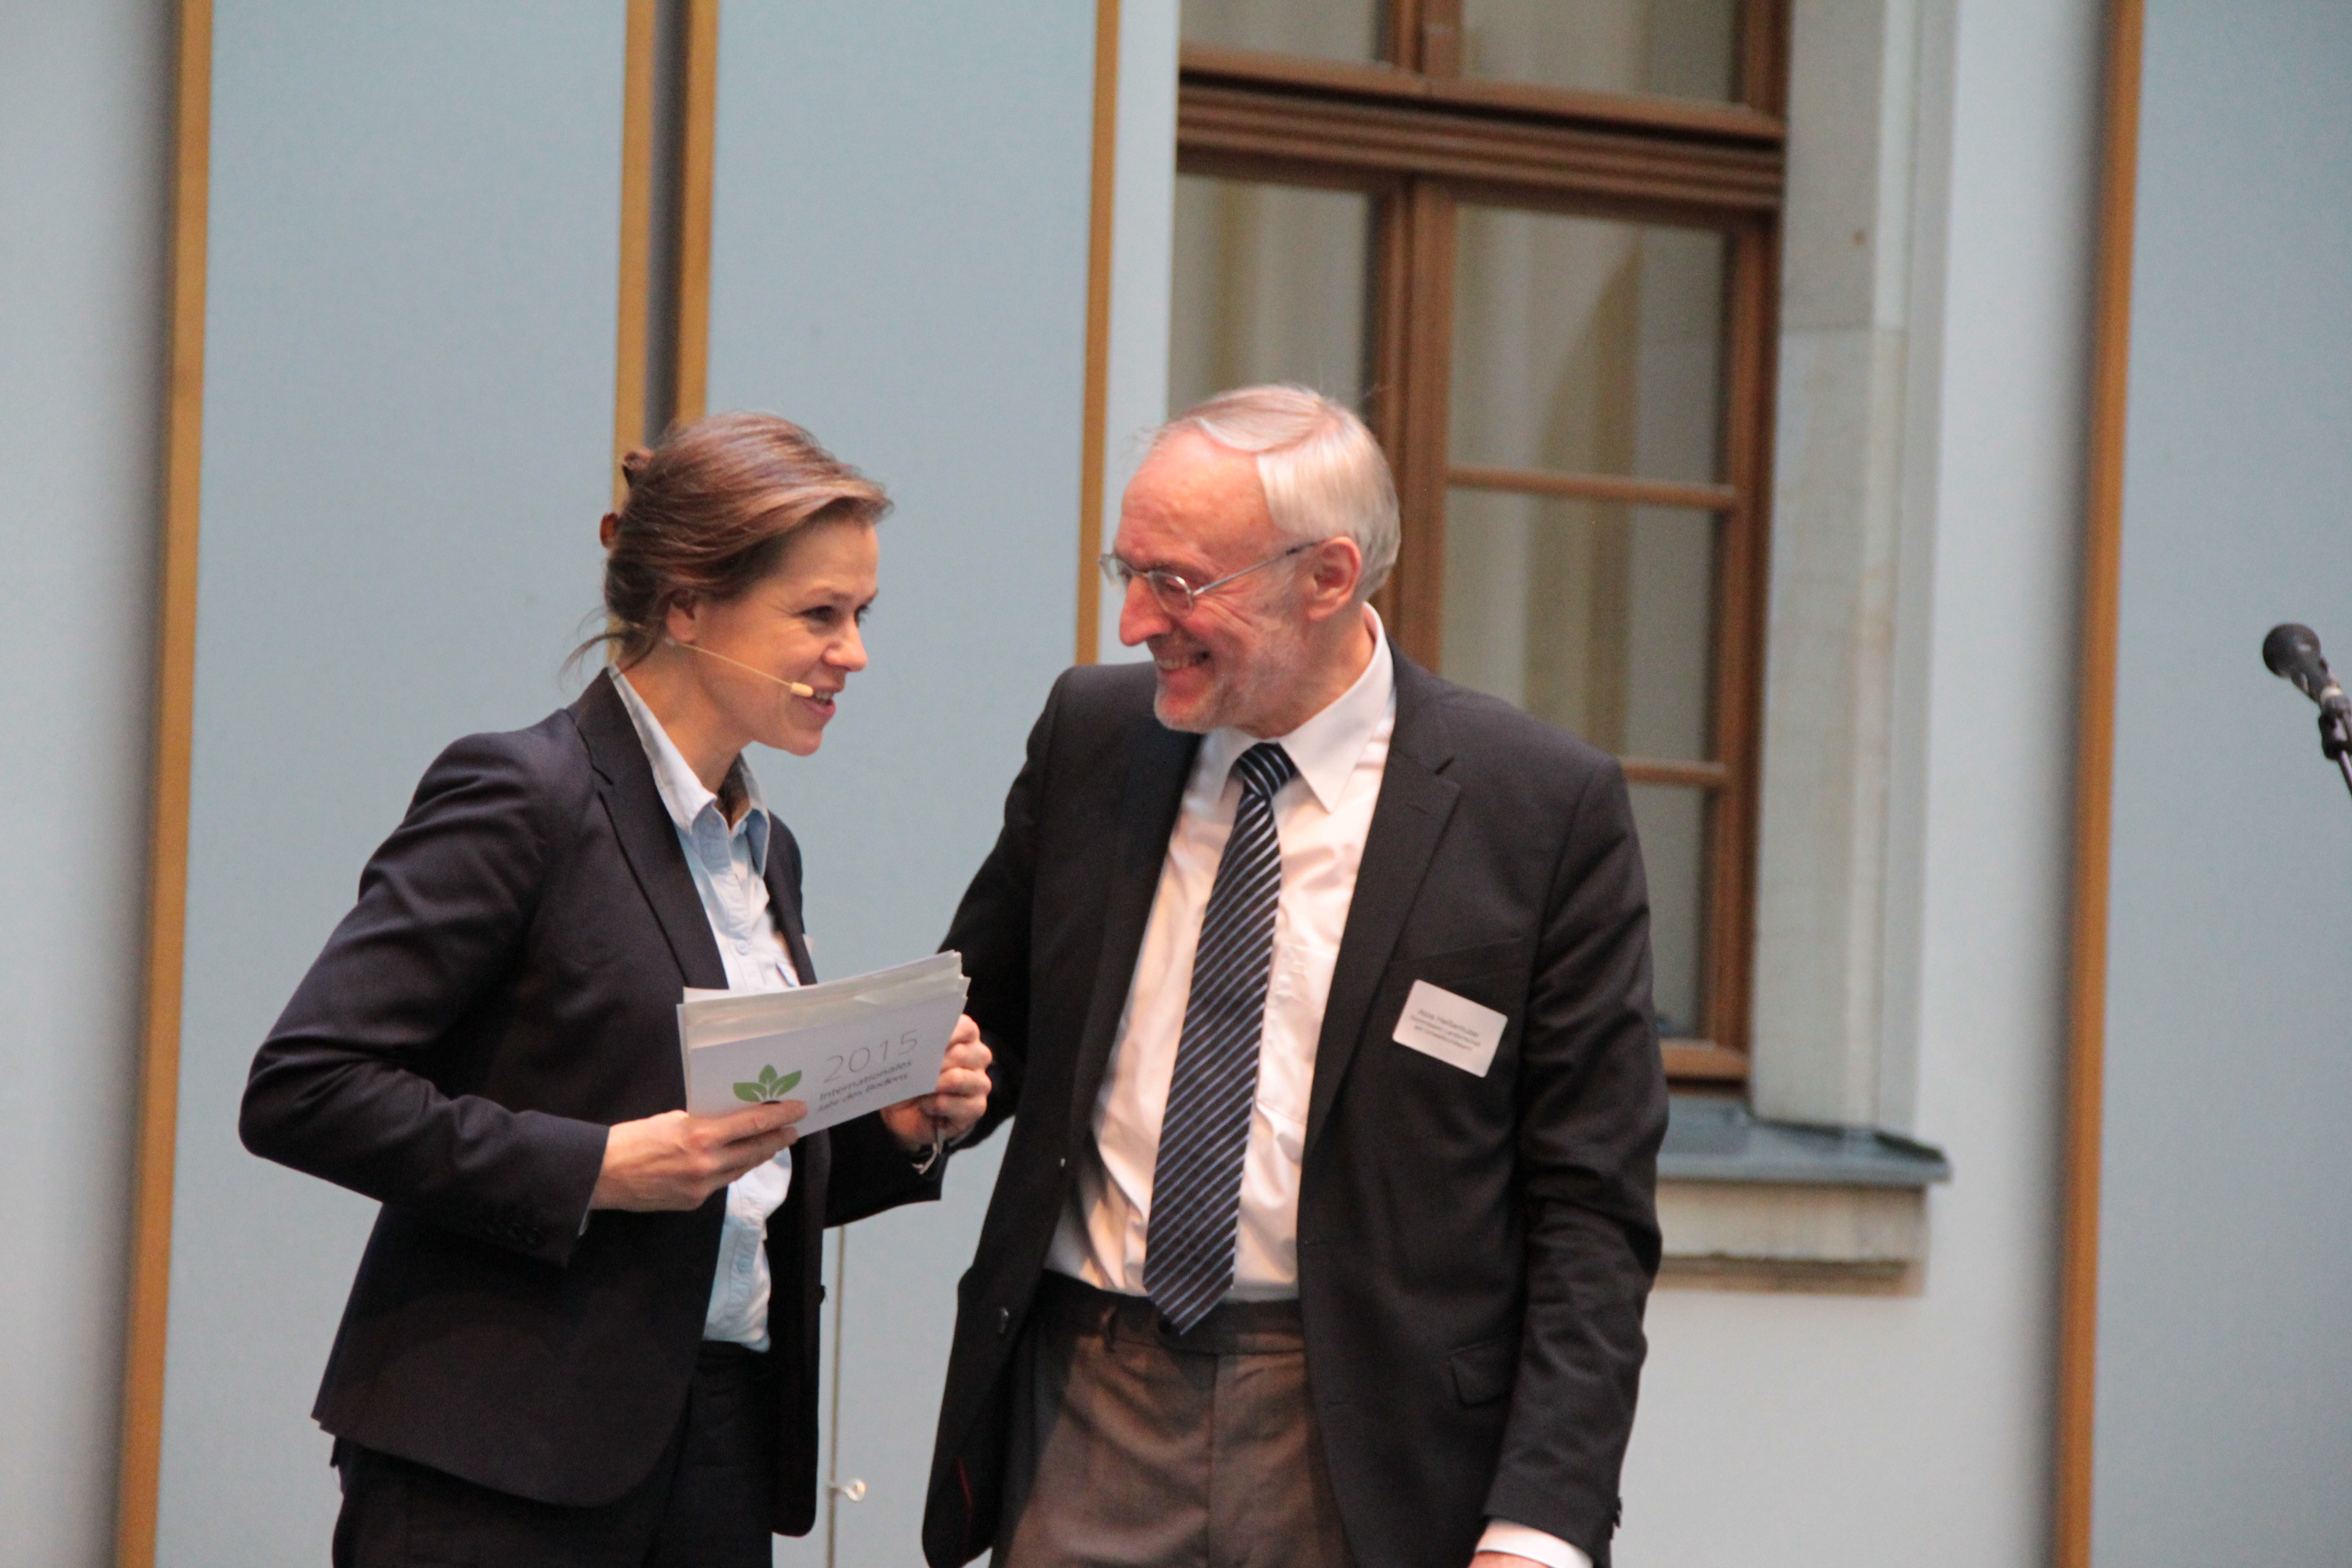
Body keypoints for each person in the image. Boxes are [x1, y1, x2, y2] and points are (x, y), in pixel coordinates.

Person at [919, 386, 1666, 1568]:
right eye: (1128, 570)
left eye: (1177, 582)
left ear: (1327, 576)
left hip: (1371, 1439)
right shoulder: (1092, 737)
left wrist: (1541, 1522)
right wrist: (915, 1103)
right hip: (1087, 1405)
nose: (1133, 621)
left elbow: (1589, 1208)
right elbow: (981, 1030)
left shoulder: (1536, 806)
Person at [240, 412, 993, 1568]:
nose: (854, 654)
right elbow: (304, 1088)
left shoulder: (766, 852)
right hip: (496, 1454)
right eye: (819, 615)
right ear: (687, 605)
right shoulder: (523, 794)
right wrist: (594, 1168)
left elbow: (726, 1171)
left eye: (862, 616)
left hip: (718, 1439)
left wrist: (892, 1129)